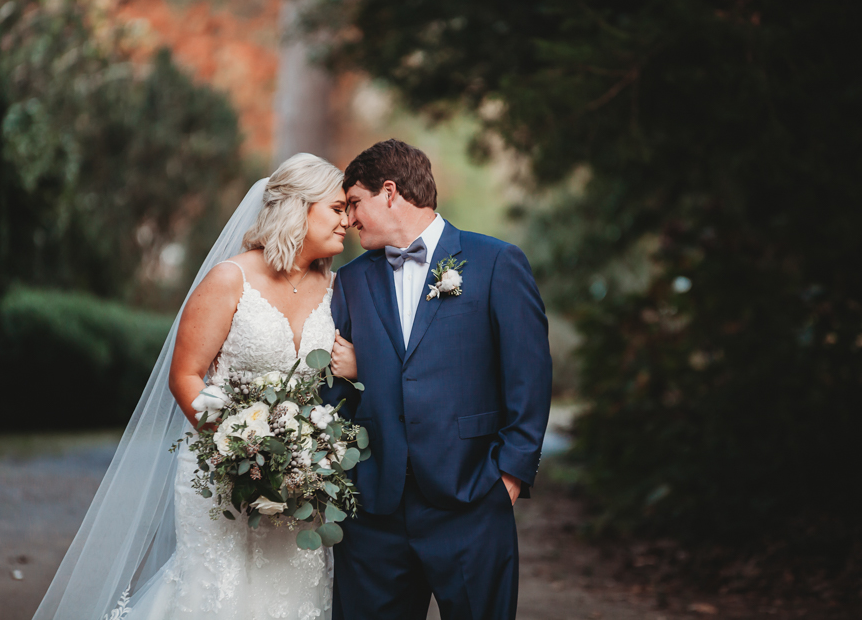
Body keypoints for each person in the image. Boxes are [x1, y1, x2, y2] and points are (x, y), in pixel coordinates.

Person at [32, 153, 354, 620]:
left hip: (299, 482)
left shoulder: (336, 289)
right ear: (299, 208)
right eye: (337, 208)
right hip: (220, 468)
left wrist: (297, 459)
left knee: (290, 595)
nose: (349, 221)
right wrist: (238, 448)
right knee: (213, 595)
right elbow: (185, 375)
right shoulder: (231, 279)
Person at [324, 139, 552, 620]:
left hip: (471, 499)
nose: (347, 219)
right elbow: (337, 394)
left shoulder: (495, 262)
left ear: (389, 192)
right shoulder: (349, 281)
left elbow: (528, 376)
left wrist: (508, 476)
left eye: (353, 203)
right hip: (375, 515)